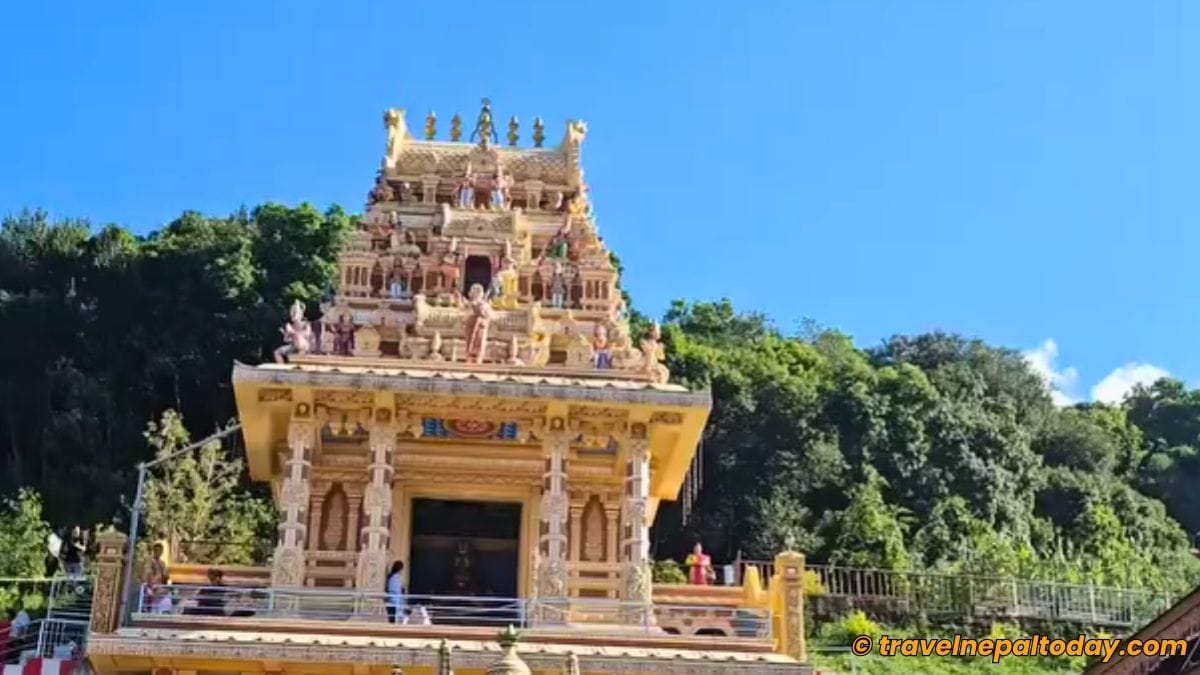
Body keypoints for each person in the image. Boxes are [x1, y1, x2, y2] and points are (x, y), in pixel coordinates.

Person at [144, 542, 172, 614]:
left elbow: (166, 577)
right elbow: (148, 575)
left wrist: (165, 574)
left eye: (160, 550)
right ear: (153, 551)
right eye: (156, 550)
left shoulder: (162, 563)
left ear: (162, 552)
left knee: (167, 595)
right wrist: (152, 584)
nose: (158, 552)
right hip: (152, 587)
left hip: (161, 587)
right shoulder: (149, 562)